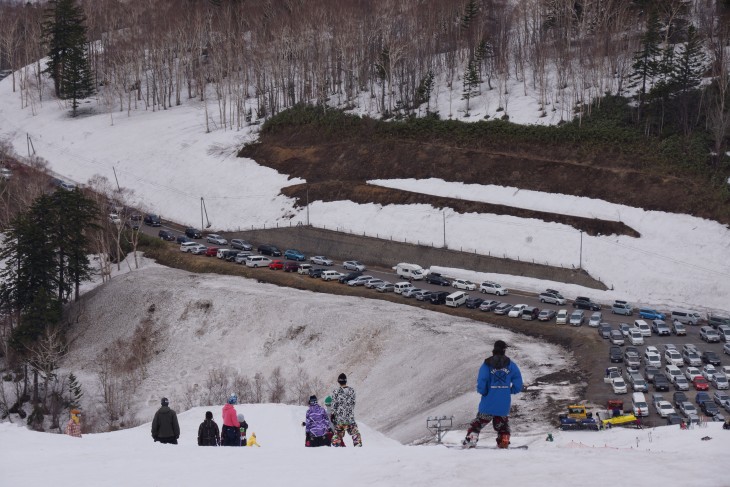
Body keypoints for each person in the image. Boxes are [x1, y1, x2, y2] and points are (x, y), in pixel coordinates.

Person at [462, 340, 523, 449]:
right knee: (502, 426)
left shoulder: (486, 364)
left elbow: (482, 381)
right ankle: (504, 440)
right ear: (504, 350)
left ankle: (471, 439)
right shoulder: (511, 365)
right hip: (503, 404)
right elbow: (518, 384)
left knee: (478, 424)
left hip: (488, 403)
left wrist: (484, 392)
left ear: (494, 349)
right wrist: (508, 391)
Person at [330, 373, 362, 447]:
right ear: (346, 381)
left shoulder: (336, 392)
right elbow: (353, 403)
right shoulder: (352, 391)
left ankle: (336, 450)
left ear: (338, 381)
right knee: (355, 434)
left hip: (340, 419)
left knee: (337, 436)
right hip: (350, 418)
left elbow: (334, 406)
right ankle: (359, 448)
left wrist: (333, 415)